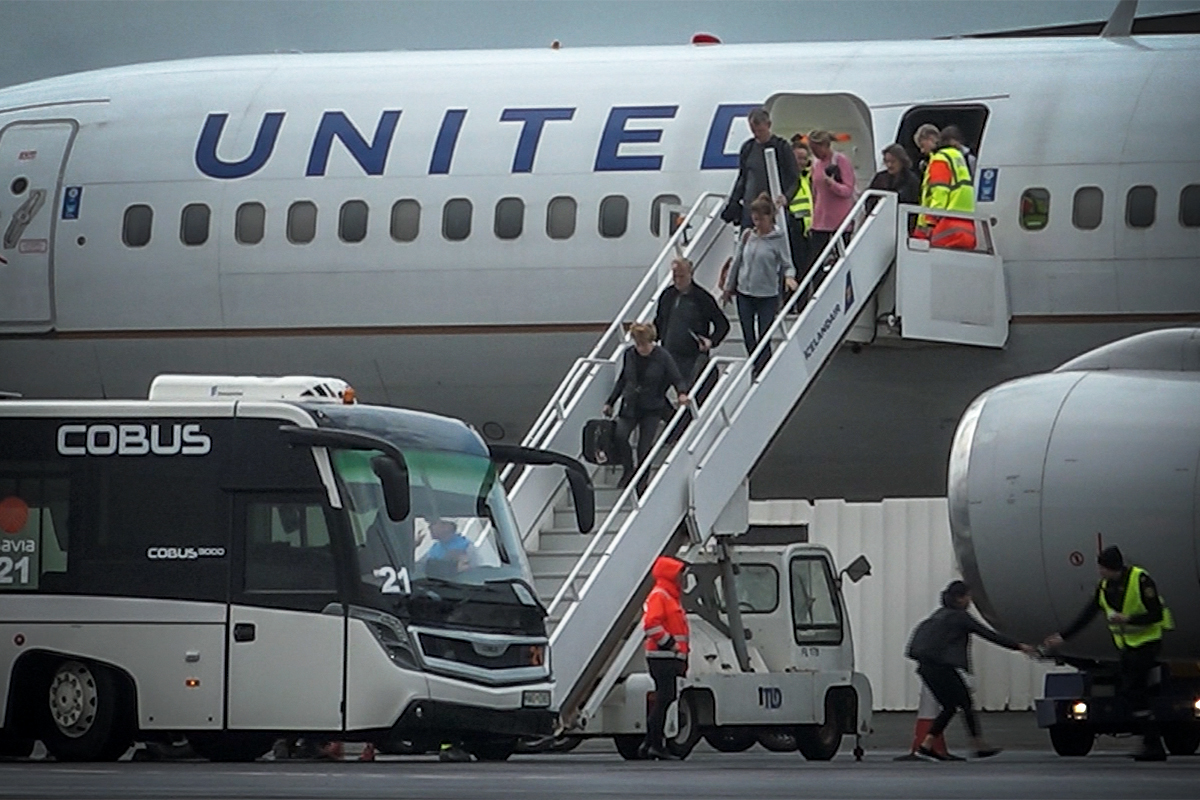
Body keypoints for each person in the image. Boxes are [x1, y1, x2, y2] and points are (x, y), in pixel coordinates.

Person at [1043, 546, 1174, 761]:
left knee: (1133, 690)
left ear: (1112, 567)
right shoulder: (1104, 588)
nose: (1100, 572)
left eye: (1102, 567)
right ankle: (1152, 741)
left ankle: (1153, 742)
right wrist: (1063, 637)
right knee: (1132, 691)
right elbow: (1088, 614)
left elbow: (1157, 614)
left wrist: (1127, 619)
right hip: (1128, 647)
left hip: (1148, 642)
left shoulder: (1140, 580)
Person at [906, 580, 1035, 761]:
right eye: (968, 597)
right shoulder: (960, 616)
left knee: (951, 706)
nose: (969, 601)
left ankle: (926, 747)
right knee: (965, 703)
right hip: (942, 667)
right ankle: (977, 745)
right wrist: (1019, 646)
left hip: (926, 667)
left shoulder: (939, 614)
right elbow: (987, 634)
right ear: (960, 598)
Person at [602, 322, 689, 491]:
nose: (640, 348)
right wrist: (610, 401)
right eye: (637, 344)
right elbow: (623, 380)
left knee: (644, 447)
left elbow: (676, 377)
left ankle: (642, 483)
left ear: (651, 341)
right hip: (631, 405)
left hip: (652, 407)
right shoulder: (630, 355)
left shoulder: (663, 356)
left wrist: (681, 393)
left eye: (643, 344)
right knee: (620, 436)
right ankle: (628, 469)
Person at [720, 194, 797, 375]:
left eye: (760, 219)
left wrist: (789, 277)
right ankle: (757, 365)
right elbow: (738, 262)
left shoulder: (778, 240)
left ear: (769, 217)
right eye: (754, 219)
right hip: (744, 293)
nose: (757, 223)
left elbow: (788, 264)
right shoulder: (748, 235)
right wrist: (728, 287)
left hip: (766, 295)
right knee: (748, 333)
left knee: (764, 335)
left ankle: (763, 368)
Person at [639, 555, 690, 760]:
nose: (682, 579)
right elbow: (651, 624)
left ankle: (649, 744)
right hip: (663, 656)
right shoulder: (661, 595)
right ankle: (655, 745)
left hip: (668, 656)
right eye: (679, 574)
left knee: (665, 698)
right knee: (665, 698)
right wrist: (670, 643)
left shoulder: (668, 595)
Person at [653, 257, 729, 385]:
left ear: (691, 274)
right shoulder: (667, 295)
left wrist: (711, 341)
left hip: (692, 356)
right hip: (668, 353)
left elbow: (722, 324)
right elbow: (660, 320)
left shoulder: (702, 298)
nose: (677, 280)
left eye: (681, 276)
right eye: (675, 276)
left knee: (689, 390)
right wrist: (651, 337)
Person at [720, 107, 798, 229]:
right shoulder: (748, 148)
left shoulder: (782, 147)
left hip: (772, 209)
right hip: (750, 208)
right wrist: (733, 202)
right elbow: (742, 178)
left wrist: (786, 197)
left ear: (768, 125)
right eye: (753, 131)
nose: (757, 134)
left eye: (760, 130)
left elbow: (794, 178)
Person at [915, 128, 977, 250]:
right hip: (966, 223)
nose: (922, 151)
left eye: (922, 145)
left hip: (947, 224)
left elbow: (939, 192)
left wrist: (930, 222)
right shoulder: (956, 156)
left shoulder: (939, 159)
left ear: (931, 139)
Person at [806, 129, 856, 273]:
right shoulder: (816, 164)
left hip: (839, 222)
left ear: (825, 145)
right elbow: (815, 191)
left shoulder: (841, 161)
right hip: (820, 221)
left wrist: (832, 185)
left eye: (816, 149)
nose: (815, 153)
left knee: (839, 263)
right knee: (816, 262)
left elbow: (848, 190)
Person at [787, 135, 814, 279]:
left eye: (805, 158)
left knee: (807, 269)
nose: (802, 162)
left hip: (807, 230)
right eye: (799, 158)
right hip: (793, 227)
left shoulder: (806, 177)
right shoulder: (788, 179)